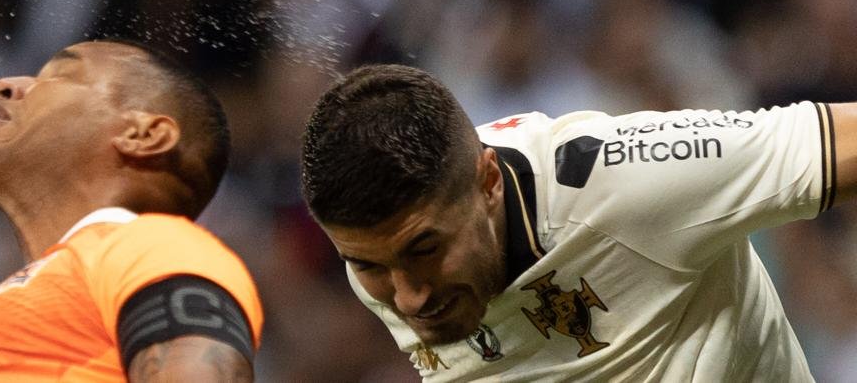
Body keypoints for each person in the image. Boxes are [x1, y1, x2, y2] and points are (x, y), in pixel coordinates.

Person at [300, 63, 856, 381]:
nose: (408, 297)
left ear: (489, 182)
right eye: (368, 266)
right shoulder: (383, 262)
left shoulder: (626, 184)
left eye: (425, 249)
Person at [0, 39, 262, 382]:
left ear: (144, 135)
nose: (4, 85)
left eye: (61, 75)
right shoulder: (44, 289)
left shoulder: (150, 244)